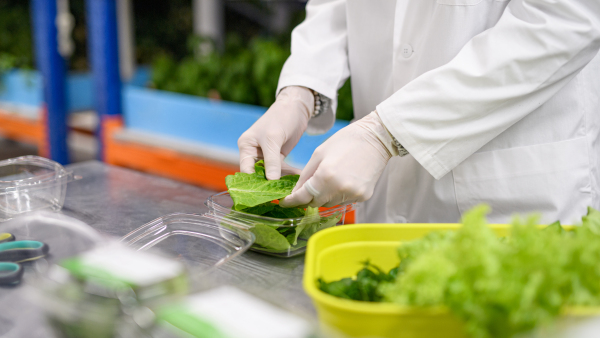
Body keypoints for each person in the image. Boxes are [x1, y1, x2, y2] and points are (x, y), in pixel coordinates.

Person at [238, 0, 600, 224]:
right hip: (384, 205)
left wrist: (386, 132)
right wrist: (302, 91)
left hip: (510, 194)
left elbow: (564, 21)